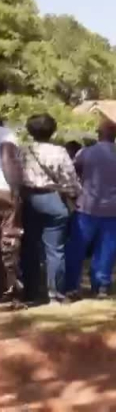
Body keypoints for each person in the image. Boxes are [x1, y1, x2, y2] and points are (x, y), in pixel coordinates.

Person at [64, 119, 116, 299]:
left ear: (98, 134)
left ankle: (71, 285)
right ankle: (101, 285)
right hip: (114, 209)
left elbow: (73, 173)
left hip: (87, 207)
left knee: (77, 248)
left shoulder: (85, 153)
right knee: (107, 249)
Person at [19, 114, 80, 304]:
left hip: (28, 199)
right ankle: (55, 294)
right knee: (55, 250)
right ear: (53, 131)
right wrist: (73, 194)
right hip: (53, 199)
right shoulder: (60, 152)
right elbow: (70, 180)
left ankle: (30, 292)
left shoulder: (23, 150)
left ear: (30, 130)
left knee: (29, 247)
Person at [0, 119, 22, 304]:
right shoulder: (6, 135)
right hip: (4, 192)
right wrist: (16, 191)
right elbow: (7, 157)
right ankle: (9, 288)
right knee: (9, 240)